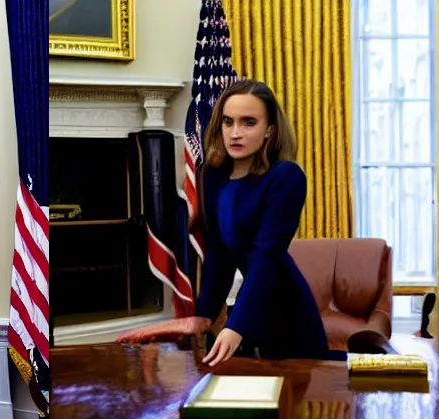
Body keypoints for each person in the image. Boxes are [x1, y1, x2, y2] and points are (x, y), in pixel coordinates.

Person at [113, 80, 333, 362]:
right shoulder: (212, 175)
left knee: (295, 402)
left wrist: (236, 326)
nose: (235, 133)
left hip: (286, 311)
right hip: (245, 313)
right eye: (228, 122)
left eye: (248, 122)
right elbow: (218, 256)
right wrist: (203, 317)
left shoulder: (286, 176)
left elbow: (266, 257)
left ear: (270, 130)